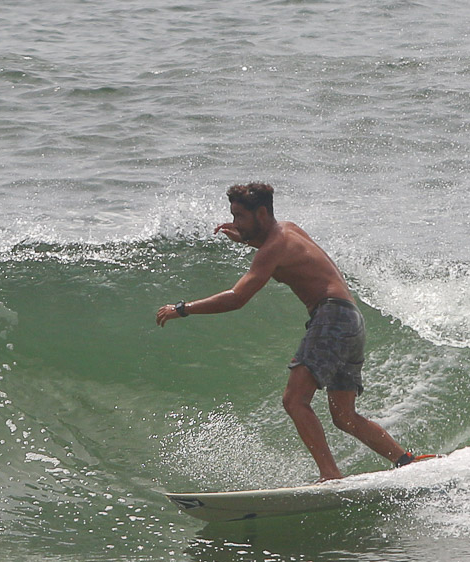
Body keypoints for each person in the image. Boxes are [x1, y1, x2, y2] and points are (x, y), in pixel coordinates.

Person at [157, 183, 432, 482]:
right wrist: (247, 240)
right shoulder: (289, 230)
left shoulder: (273, 247)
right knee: (343, 416)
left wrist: (183, 308)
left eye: (240, 217)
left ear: (261, 213)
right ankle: (406, 460)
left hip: (331, 318)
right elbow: (286, 257)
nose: (235, 223)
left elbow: (237, 297)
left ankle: (330, 474)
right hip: (351, 319)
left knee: (294, 400)